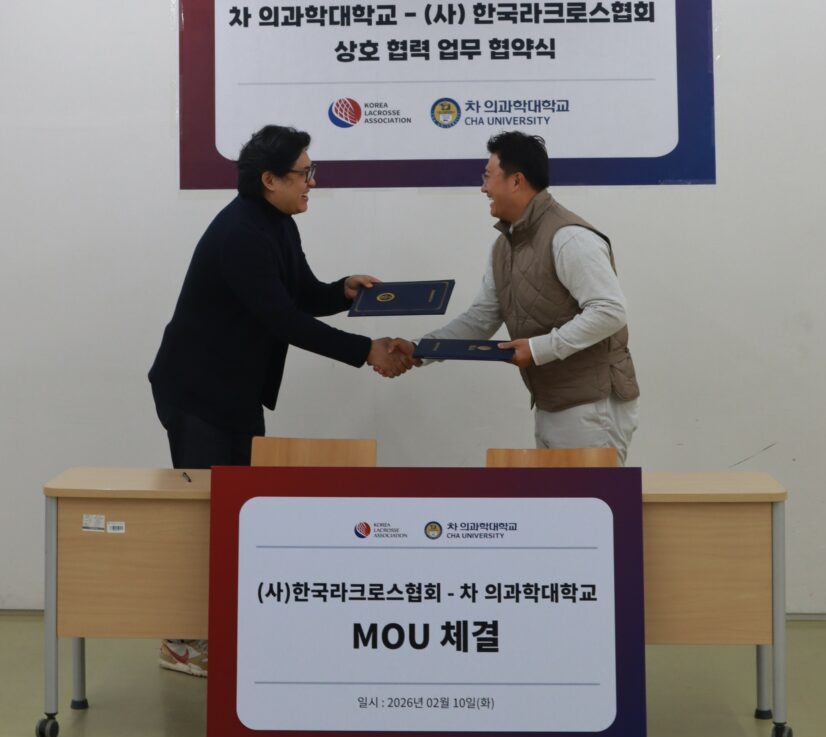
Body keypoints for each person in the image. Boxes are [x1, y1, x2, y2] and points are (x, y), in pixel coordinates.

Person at [149, 124, 411, 675]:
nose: (312, 182)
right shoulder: (240, 233)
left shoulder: (277, 222)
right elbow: (282, 320)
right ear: (270, 179)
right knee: (208, 514)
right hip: (197, 391)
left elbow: (298, 295)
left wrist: (343, 290)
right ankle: (180, 640)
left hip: (236, 391)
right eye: (304, 173)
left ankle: (224, 625)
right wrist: (366, 351)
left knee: (239, 510)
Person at [397, 131, 640, 463]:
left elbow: (610, 310)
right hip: (552, 402)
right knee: (560, 496)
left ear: (516, 181)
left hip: (591, 406)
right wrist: (419, 349)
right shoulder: (504, 246)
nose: (483, 188)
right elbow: (481, 317)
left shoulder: (569, 237)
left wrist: (538, 349)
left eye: (488, 176)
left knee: (591, 496)